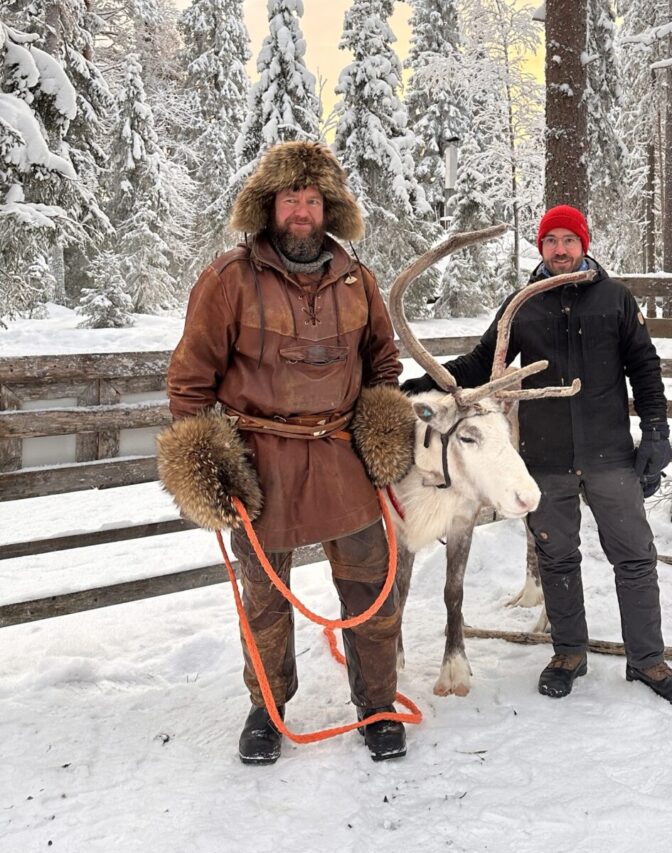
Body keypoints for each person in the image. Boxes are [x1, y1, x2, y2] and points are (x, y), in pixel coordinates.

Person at [159, 141, 408, 763]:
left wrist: (379, 430)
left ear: (331, 210)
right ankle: (267, 710)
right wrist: (211, 467)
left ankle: (377, 706)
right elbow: (189, 383)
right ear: (269, 207)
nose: (302, 210)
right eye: (291, 199)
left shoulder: (358, 280)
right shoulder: (227, 280)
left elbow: (382, 360)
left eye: (313, 199)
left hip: (341, 455)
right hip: (259, 457)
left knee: (372, 587)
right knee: (265, 597)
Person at [401, 204, 672, 706]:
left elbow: (645, 368)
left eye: (568, 240)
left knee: (634, 556)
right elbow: (480, 361)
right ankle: (568, 654)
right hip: (546, 457)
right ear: (541, 248)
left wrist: (656, 432)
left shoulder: (615, 299)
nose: (560, 250)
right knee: (557, 556)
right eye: (550, 241)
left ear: (584, 244)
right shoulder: (522, 305)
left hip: (610, 455)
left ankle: (648, 660)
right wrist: (421, 383)